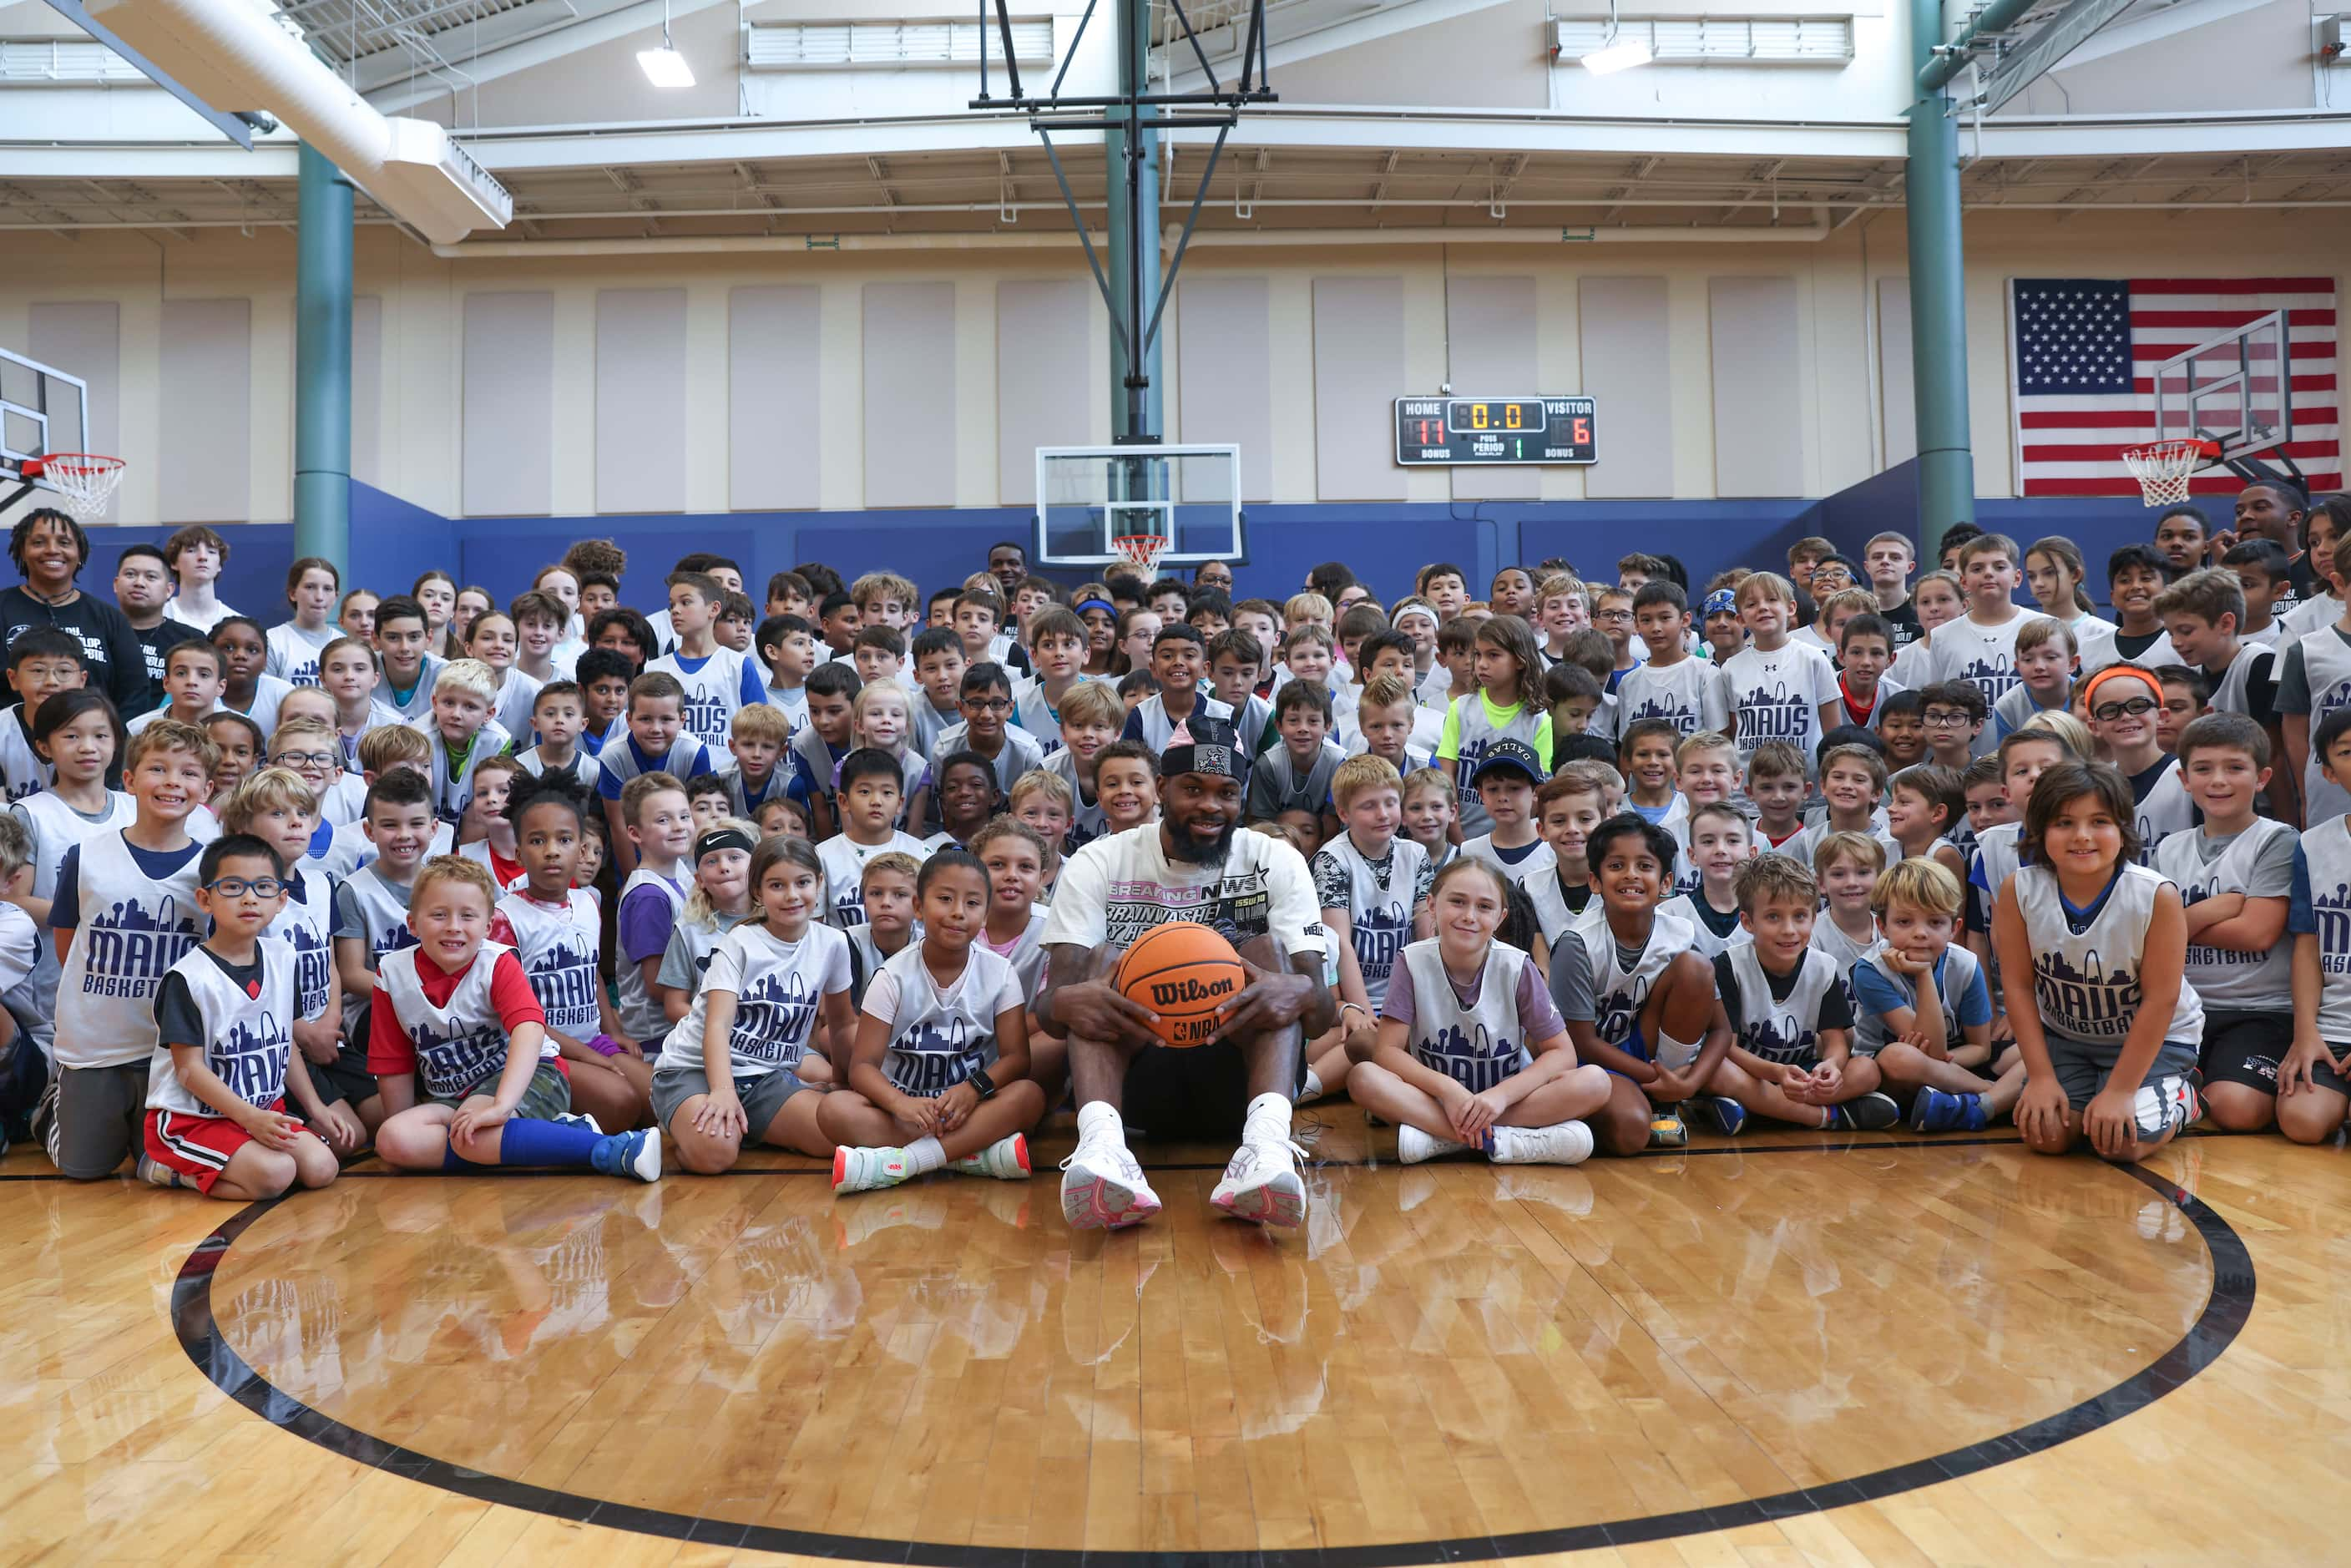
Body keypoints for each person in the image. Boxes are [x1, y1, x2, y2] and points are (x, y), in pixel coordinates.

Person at [1037, 716, 1335, 1230]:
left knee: (1269, 952)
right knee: (1104, 960)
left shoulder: (1275, 859)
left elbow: (1321, 1015)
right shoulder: (1100, 861)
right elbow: (1050, 1008)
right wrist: (1073, 1000)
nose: (1209, 807)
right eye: (1192, 789)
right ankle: (1105, 1148)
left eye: (1226, 792)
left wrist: (1299, 990)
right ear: (1160, 789)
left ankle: (1265, 1148)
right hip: (1138, 1080)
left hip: (1239, 1080)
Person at [368, 856, 660, 1180]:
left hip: (531, 1074)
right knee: (393, 1139)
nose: (453, 926)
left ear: (488, 926)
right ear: (412, 923)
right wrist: (405, 1139)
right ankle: (547, 1136)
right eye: (439, 915)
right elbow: (392, 1062)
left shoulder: (497, 962)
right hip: (453, 1096)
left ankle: (610, 1150)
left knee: (473, 1131)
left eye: (468, 916)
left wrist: (502, 1105)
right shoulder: (391, 974)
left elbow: (529, 1031)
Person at [1993, 762, 2203, 1163]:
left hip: (2156, 1042)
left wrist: (2121, 1091)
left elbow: (2161, 1000)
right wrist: (2039, 1077)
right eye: (2064, 823)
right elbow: (2018, 987)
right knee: (2047, 1136)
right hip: (2068, 1039)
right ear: (2040, 831)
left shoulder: (2155, 895)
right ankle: (2092, 1091)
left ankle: (2185, 1097)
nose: (2082, 836)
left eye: (2099, 821)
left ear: (2123, 829)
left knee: (2120, 1144)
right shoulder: (2018, 889)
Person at [38, 718, 215, 1178]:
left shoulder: (211, 870)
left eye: (189, 773)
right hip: (97, 1045)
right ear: (131, 781)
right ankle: (51, 1106)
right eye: (159, 769)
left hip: (174, 1052)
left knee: (156, 1167)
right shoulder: (86, 855)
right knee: (83, 1170)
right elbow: (68, 949)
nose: (174, 782)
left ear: (207, 789)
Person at [1346, 856, 1608, 1165]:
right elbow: (1387, 1052)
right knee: (1363, 1077)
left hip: (1506, 1100)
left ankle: (1445, 1139)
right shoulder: (1412, 961)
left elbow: (1562, 1053)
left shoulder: (1517, 965)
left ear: (1500, 917)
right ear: (1432, 904)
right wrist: (1448, 1089)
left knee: (1595, 1082)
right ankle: (1503, 1140)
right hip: (1439, 1100)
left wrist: (1500, 1097)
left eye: (1484, 907)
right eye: (1457, 902)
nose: (1469, 916)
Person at [136, 832, 347, 1197]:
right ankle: (166, 1168)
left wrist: (316, 1107)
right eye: (233, 887)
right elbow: (190, 1071)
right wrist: (249, 1118)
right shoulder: (189, 978)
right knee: (275, 1175)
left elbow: (286, 1045)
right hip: (194, 1120)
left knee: (323, 1167)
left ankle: (237, 1159)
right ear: (205, 899)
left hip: (264, 1111)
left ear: (282, 899)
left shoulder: (283, 957)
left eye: (264, 887)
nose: (250, 898)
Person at [823, 848, 1046, 1191]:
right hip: (906, 1109)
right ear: (918, 907)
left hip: (970, 1106)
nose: (958, 913)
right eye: (945, 899)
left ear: (986, 916)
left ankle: (904, 1163)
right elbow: (863, 1067)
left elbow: (1017, 1059)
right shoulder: (892, 976)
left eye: (972, 904)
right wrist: (902, 1104)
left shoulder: (999, 973)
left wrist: (974, 1089)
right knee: (834, 1109)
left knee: (1029, 1095)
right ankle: (968, 1154)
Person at [654, 835, 852, 1173]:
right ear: (758, 891)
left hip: (766, 1077)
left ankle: (749, 1125)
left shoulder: (833, 944)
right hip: (696, 1070)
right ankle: (688, 1123)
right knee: (715, 1154)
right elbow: (717, 1027)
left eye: (802, 882)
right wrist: (722, 1091)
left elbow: (844, 1024)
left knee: (837, 1138)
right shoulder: (740, 943)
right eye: (777, 885)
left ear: (819, 883)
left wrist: (843, 1082)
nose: (792, 895)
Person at [493, 771, 650, 1133]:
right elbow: (513, 1015)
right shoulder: (506, 919)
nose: (551, 850)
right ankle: (548, 1131)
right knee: (621, 1104)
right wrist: (590, 1058)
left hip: (591, 1040)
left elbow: (591, 971)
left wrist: (612, 1033)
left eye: (563, 839)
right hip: (540, 1052)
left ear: (581, 849)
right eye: (537, 840)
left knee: (661, 1097)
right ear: (518, 852)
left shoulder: (587, 903)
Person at [0, 508, 151, 717]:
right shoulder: (3, 607)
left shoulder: (109, 618)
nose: (52, 550)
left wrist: (110, 741)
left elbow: (134, 692)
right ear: (22, 552)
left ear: (80, 553)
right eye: (38, 542)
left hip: (91, 745)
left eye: (64, 542)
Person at [112, 543, 205, 718]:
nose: (139, 583)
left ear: (169, 590)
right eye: (130, 574)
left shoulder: (190, 640)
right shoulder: (98, 630)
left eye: (151, 577)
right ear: (116, 584)